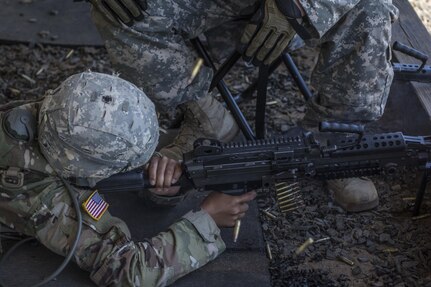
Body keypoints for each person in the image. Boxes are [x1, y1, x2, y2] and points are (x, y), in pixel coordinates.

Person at [88, 0, 399, 212]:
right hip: (216, 11)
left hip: (301, 12)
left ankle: (337, 142)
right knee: (117, 10)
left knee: (372, 7)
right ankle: (205, 120)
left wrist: (299, 7)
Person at [0, 71, 256, 286]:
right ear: (79, 166)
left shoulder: (59, 110)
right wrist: (207, 221)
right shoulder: (41, 198)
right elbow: (127, 270)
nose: (141, 166)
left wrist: (151, 180)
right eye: (127, 165)